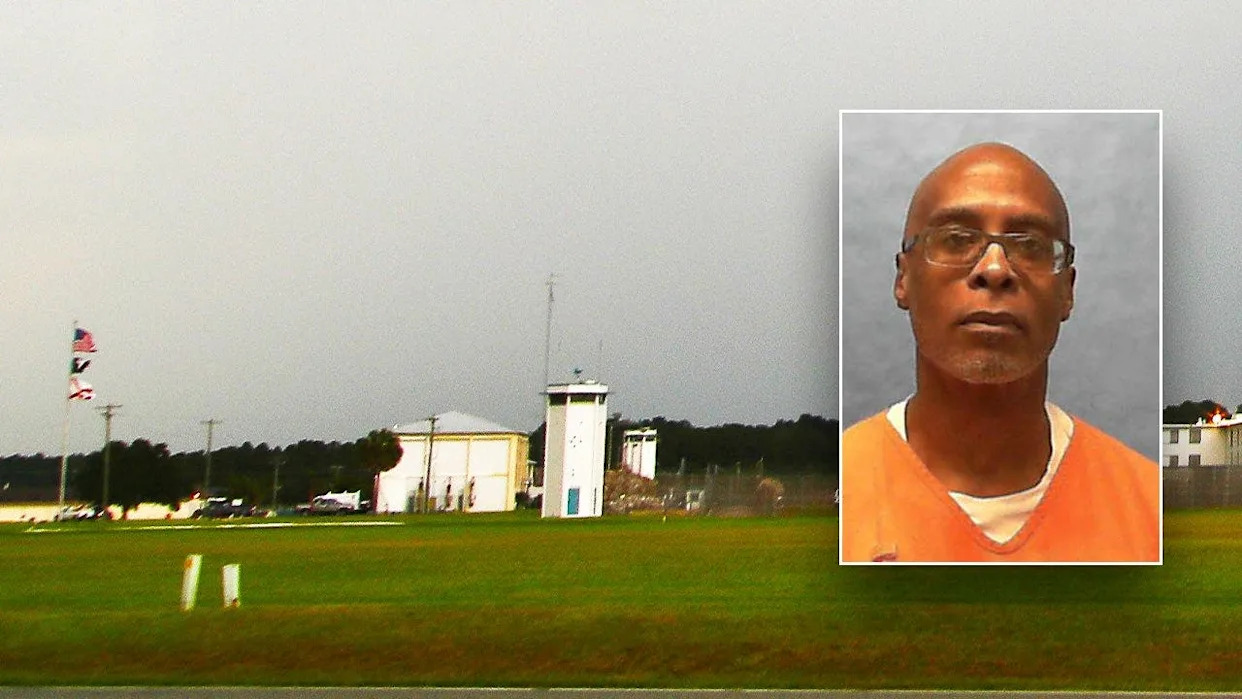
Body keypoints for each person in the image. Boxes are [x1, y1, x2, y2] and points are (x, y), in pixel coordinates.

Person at [840, 142, 1160, 564]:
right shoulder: (839, 496)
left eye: (1030, 245)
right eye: (956, 239)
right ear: (904, 279)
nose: (994, 269)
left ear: (1067, 291)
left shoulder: (1151, 511)